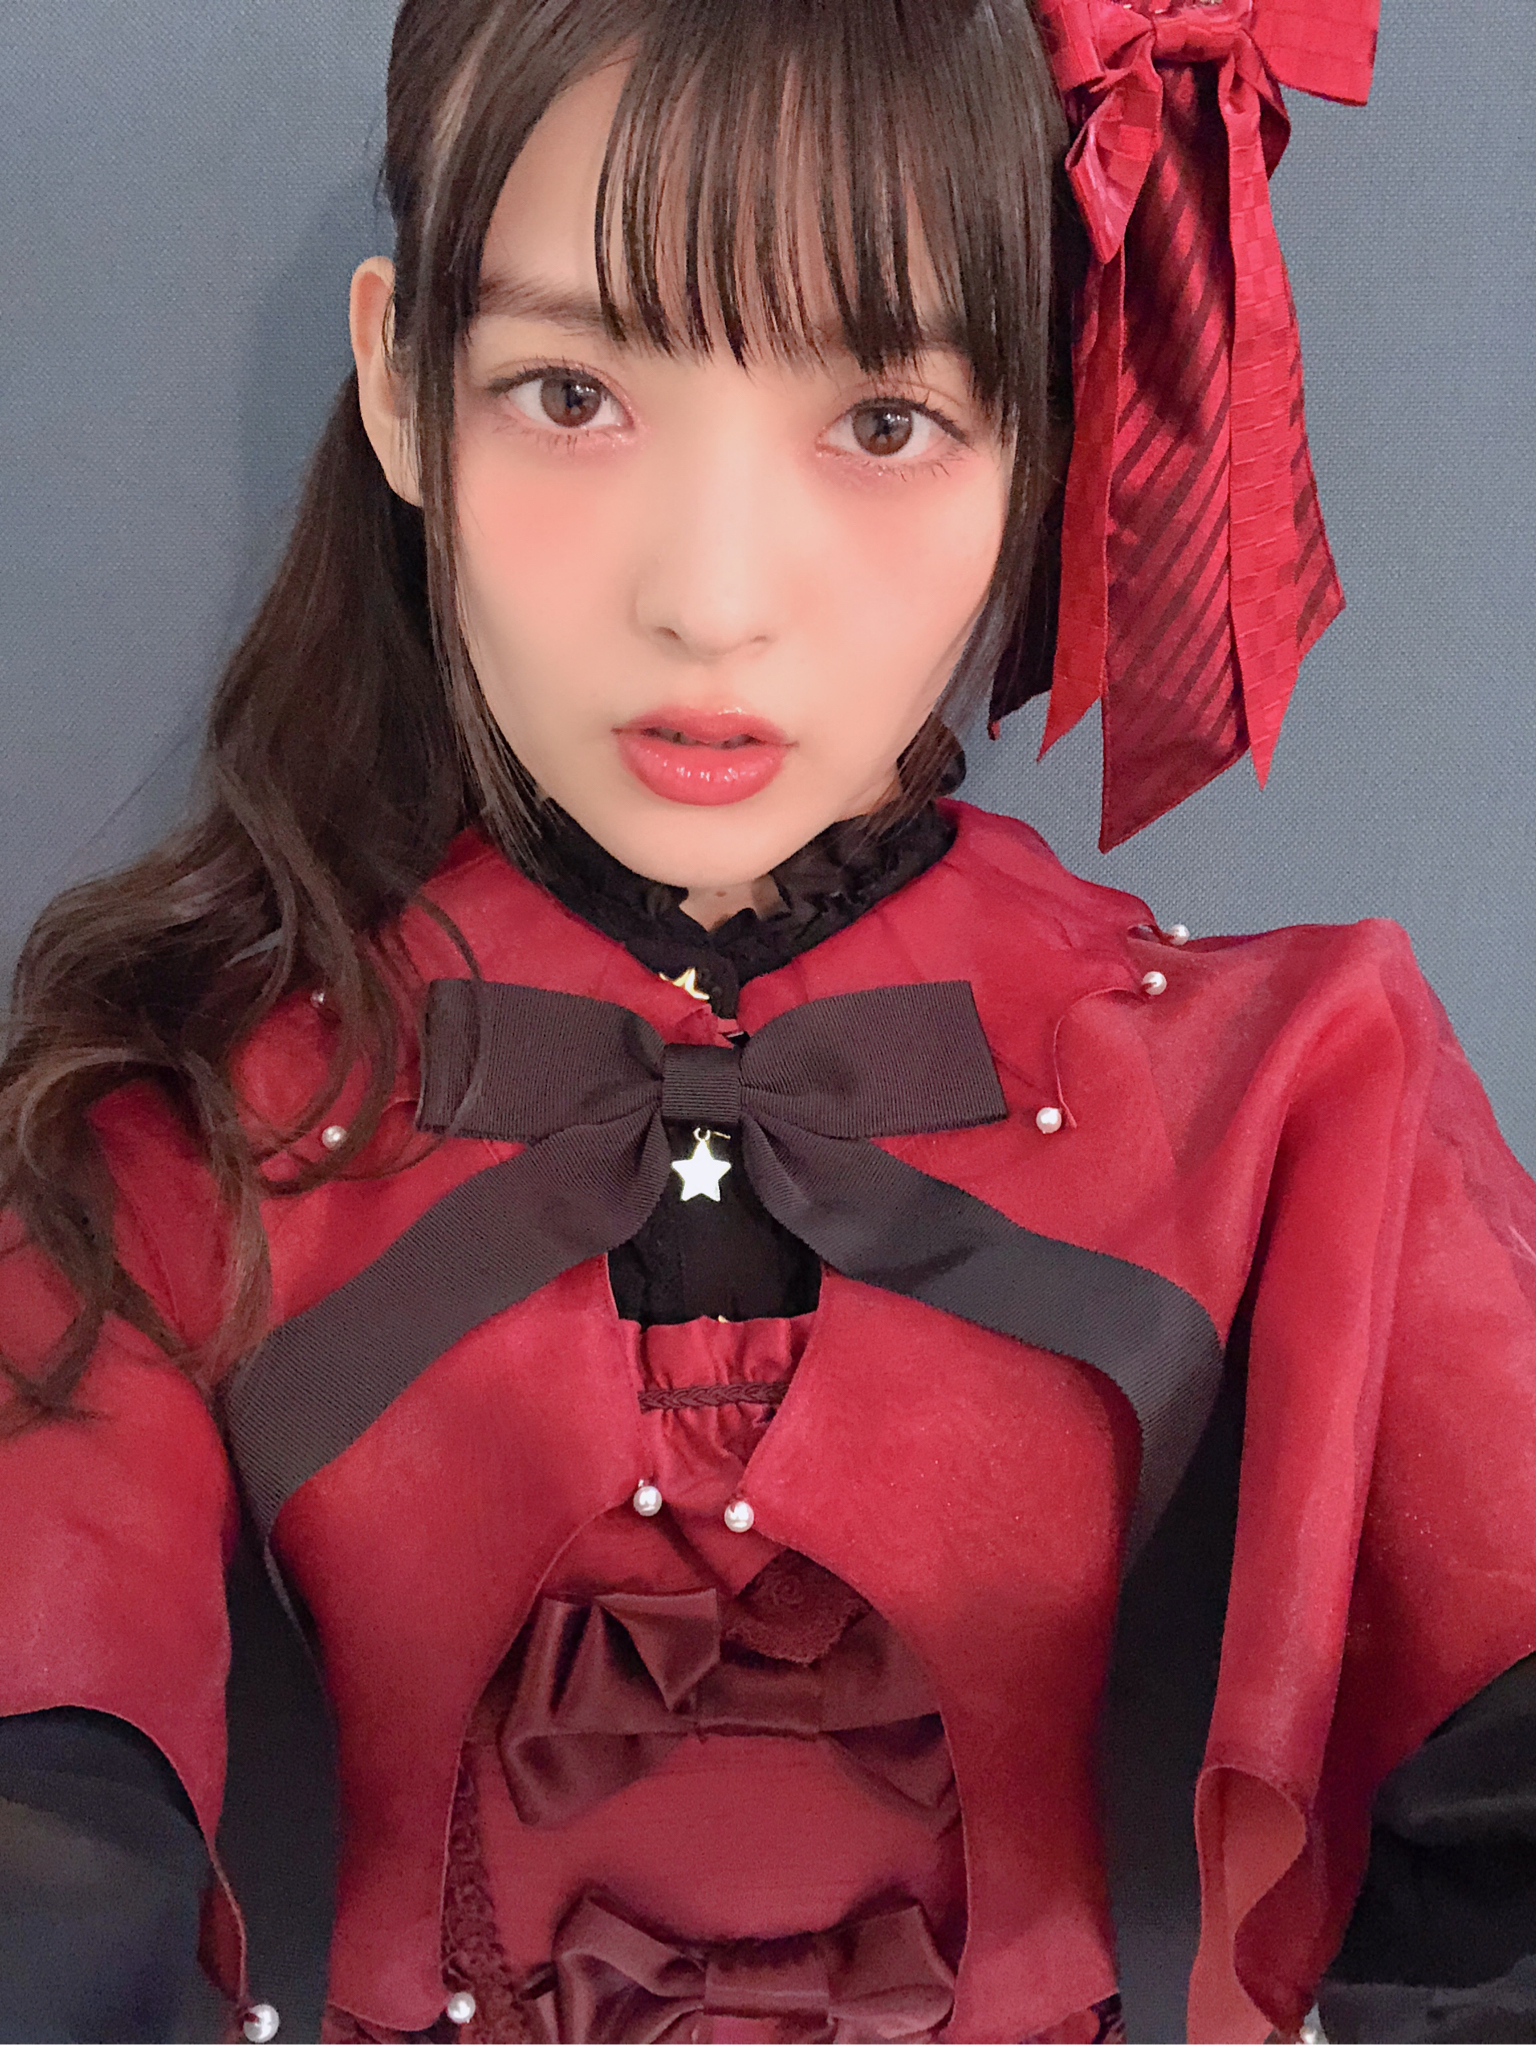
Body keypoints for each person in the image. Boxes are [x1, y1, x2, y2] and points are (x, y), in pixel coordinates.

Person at [2, 0, 1534, 2041]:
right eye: (570, 393)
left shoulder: (1302, 1084)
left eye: (883, 422)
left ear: (1049, 432)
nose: (712, 600)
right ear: (400, 386)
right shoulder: (175, 1119)